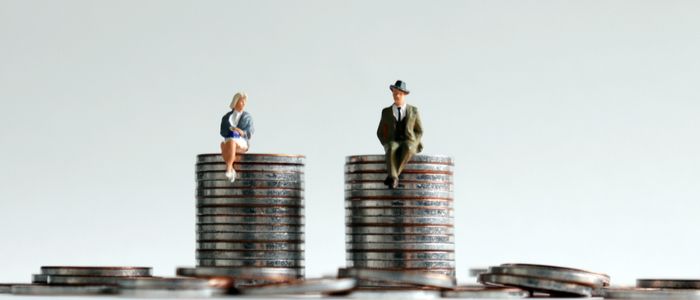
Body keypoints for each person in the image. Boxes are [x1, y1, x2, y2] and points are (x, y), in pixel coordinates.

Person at [376, 80, 423, 189]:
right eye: (394, 93)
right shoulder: (386, 112)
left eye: (399, 93)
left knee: (408, 147)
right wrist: (386, 143)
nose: (396, 95)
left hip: (408, 140)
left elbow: (419, 131)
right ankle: (394, 177)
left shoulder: (413, 110)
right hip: (393, 140)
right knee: (391, 148)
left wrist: (415, 143)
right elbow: (379, 132)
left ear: (405, 95)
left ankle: (393, 176)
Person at [220, 92, 255, 182]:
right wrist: (230, 130)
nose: (243, 104)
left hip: (242, 141)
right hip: (229, 138)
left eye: (244, 102)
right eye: (241, 102)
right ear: (235, 102)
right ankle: (231, 169)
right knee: (230, 142)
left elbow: (250, 132)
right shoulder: (226, 117)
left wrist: (241, 132)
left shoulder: (248, 117)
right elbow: (222, 131)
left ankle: (228, 167)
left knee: (227, 144)